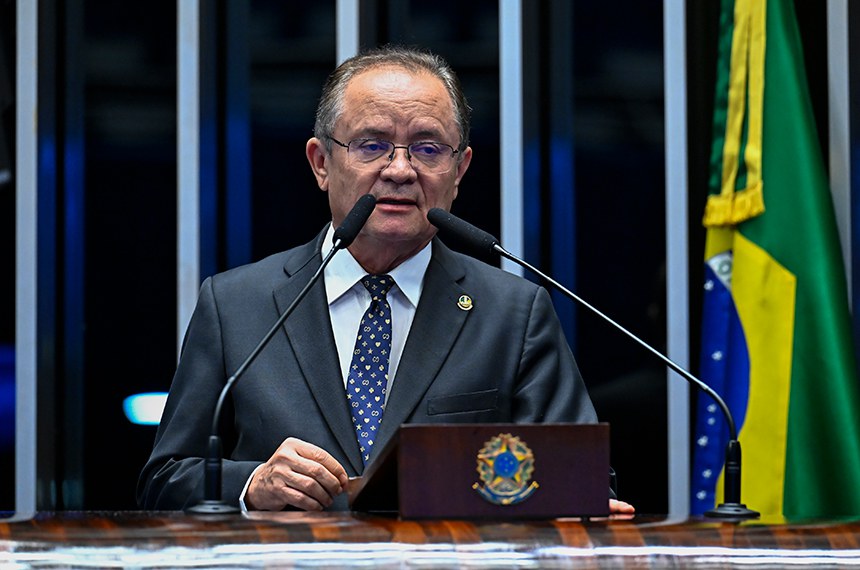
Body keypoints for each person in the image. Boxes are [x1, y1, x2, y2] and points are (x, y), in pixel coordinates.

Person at [137, 45, 634, 515]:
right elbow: (164, 480)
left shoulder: (513, 313)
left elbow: (582, 481)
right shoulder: (235, 305)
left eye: (428, 148)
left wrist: (569, 499)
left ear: (459, 170)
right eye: (371, 145)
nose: (400, 170)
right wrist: (252, 484)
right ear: (321, 163)